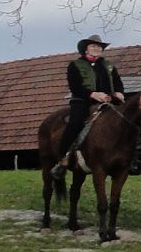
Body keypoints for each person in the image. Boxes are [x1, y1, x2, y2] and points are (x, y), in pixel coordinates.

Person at [52, 34, 127, 179]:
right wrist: (93, 94)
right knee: (75, 123)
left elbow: (118, 83)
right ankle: (63, 159)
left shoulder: (109, 65)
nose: (96, 48)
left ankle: (129, 158)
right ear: (86, 49)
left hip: (108, 101)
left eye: (99, 46)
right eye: (93, 46)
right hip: (83, 101)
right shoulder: (75, 65)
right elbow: (75, 87)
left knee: (127, 121)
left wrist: (119, 93)